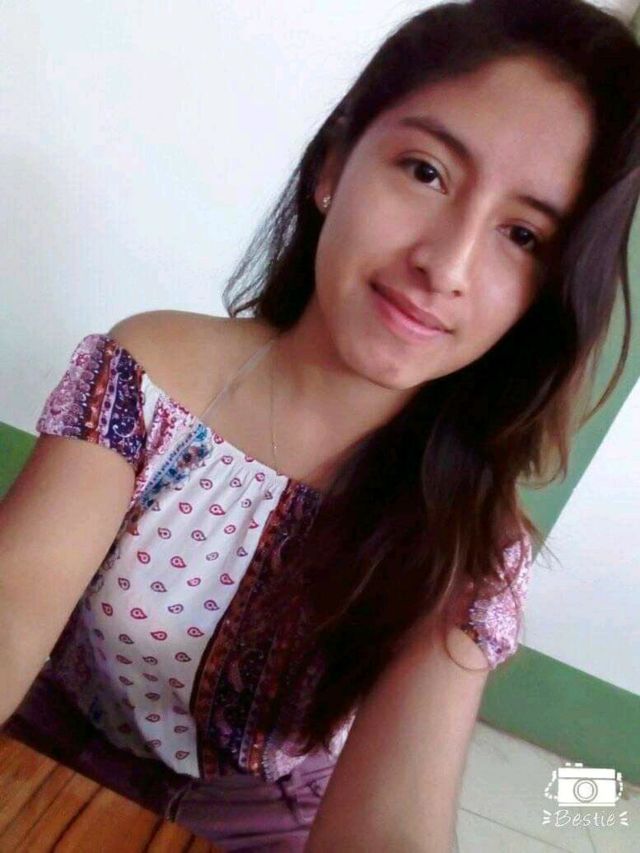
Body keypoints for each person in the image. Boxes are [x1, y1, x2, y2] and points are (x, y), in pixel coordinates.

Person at [1, 0, 640, 849]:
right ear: (334, 165)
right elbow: (13, 600)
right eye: (426, 172)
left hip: (258, 825)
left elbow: (393, 825)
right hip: (43, 750)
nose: (445, 265)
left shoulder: (471, 544)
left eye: (523, 235)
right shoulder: (148, 377)